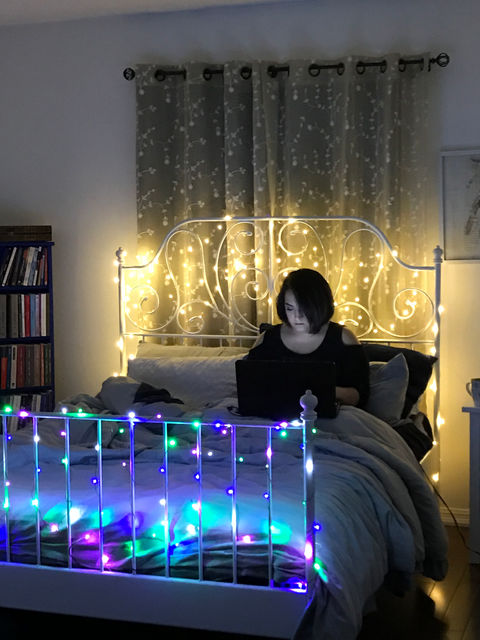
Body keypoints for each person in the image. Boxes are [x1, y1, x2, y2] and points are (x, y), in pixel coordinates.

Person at [247, 268, 369, 407]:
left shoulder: (344, 339)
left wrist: (315, 390)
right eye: (290, 308)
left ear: (320, 305)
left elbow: (360, 396)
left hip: (329, 415)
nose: (297, 316)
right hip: (272, 415)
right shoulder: (267, 339)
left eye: (303, 309)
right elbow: (249, 386)